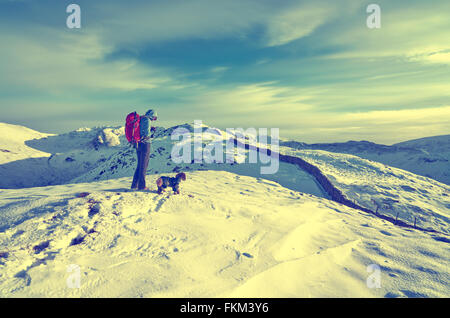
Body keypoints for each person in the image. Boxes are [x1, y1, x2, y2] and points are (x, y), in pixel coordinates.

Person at [131, 109, 157, 190]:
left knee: (139, 165)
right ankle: (142, 186)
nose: (153, 120)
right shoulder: (147, 120)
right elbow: (145, 134)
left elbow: (141, 130)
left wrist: (150, 128)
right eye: (154, 117)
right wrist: (151, 135)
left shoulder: (141, 119)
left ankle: (134, 185)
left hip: (138, 144)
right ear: (151, 115)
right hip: (145, 144)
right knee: (144, 166)